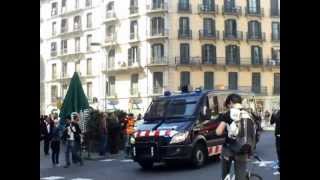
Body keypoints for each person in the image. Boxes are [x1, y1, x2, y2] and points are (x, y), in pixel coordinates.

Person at [216, 94, 249, 180]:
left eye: (228, 105)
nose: (228, 106)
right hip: (243, 148)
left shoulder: (228, 114)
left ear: (230, 102)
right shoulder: (248, 113)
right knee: (241, 175)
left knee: (225, 174)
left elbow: (218, 132)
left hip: (229, 149)